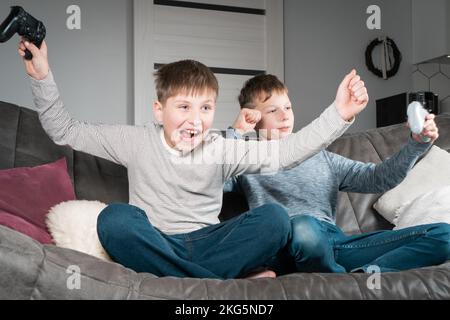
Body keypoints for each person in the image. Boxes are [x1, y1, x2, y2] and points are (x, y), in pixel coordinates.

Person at [18, 39, 368, 279]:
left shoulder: (221, 147)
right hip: (156, 241)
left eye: (205, 108)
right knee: (114, 218)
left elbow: (287, 152)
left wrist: (339, 113)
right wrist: (42, 77)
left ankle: (190, 275)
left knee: (275, 219)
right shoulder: (135, 140)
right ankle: (226, 284)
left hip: (210, 242)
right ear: (159, 110)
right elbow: (65, 130)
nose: (196, 120)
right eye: (183, 107)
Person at [225, 74, 450, 275]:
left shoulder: (322, 157)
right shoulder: (246, 160)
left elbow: (380, 178)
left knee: (443, 234)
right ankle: (337, 276)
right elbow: (214, 179)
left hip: (334, 245)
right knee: (303, 228)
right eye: (273, 110)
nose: (285, 116)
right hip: (284, 248)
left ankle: (361, 277)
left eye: (288, 107)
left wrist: (415, 145)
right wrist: (236, 133)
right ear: (253, 118)